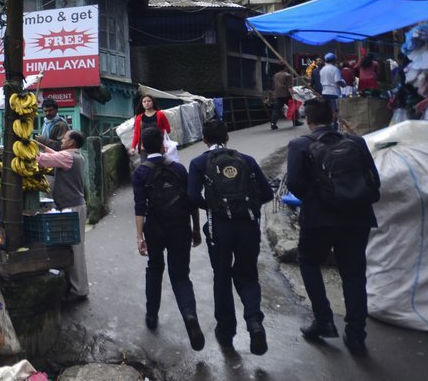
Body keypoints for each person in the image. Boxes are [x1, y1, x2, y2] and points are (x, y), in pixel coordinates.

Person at [286, 98, 381, 356]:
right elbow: (374, 179)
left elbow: (294, 183)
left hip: (319, 219)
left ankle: (324, 319)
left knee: (308, 261)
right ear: (334, 117)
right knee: (353, 272)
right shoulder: (356, 142)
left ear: (309, 121)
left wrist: (318, 199)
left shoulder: (300, 146)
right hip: (358, 217)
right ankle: (356, 334)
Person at [188, 121, 273, 355]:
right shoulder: (246, 160)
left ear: (204, 139)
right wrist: (245, 207)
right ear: (227, 136)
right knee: (247, 275)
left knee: (222, 277)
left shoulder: (198, 163)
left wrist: (214, 207)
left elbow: (192, 197)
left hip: (219, 230)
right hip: (248, 226)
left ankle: (226, 330)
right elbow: (267, 193)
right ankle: (254, 322)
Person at [131, 127, 204, 351]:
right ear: (164, 147)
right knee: (181, 276)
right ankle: (190, 317)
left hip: (155, 228)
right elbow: (191, 201)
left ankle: (152, 316)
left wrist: (139, 236)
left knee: (154, 268)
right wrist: (195, 229)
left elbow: (140, 207)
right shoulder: (180, 169)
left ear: (142, 147)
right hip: (180, 227)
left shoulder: (140, 172)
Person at [37, 131, 89, 300]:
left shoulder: (68, 157)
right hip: (73, 205)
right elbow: (55, 155)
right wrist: (41, 146)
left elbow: (43, 160)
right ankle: (73, 286)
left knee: (76, 249)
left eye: (65, 138)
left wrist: (26, 150)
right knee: (71, 247)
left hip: (72, 207)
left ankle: (79, 290)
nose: (62, 139)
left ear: (72, 142)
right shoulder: (76, 156)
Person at [270, 64, 300, 130]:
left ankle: (273, 124)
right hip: (286, 94)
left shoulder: (275, 75)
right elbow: (289, 86)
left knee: (276, 110)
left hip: (278, 94)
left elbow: (274, 86)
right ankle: (296, 121)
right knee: (293, 107)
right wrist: (293, 93)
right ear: (285, 68)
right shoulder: (287, 75)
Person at [318, 53, 343, 118]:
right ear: (334, 60)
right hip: (333, 92)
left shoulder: (322, 70)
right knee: (334, 111)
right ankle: (334, 125)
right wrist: (343, 84)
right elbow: (338, 81)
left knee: (327, 111)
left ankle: (328, 124)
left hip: (324, 92)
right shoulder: (335, 69)